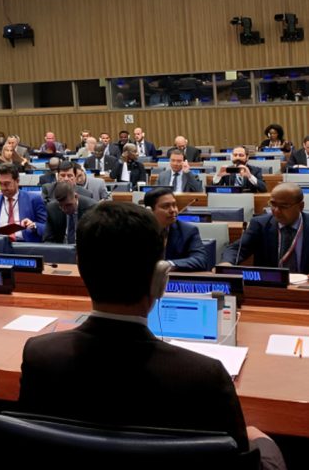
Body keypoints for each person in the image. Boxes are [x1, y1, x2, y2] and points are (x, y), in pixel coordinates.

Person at [19, 201, 286, 470]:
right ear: (161, 279)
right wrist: (262, 442)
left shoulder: (39, 354)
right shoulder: (205, 375)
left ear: (80, 266)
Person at [223, 182, 308, 272]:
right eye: (273, 204)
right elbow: (236, 249)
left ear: (301, 206)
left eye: (284, 206)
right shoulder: (260, 224)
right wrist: (227, 263)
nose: (277, 211)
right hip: (270, 280)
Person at [144, 188, 209, 271]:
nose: (173, 210)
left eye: (174, 205)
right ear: (149, 210)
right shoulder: (137, 229)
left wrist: (167, 265)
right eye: (166, 206)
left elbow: (200, 260)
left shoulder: (188, 231)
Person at [0, 163, 46, 242]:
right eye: (0, 183)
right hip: (0, 245)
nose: (3, 188)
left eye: (7, 184)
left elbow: (47, 228)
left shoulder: (34, 200)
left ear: (17, 181)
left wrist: (34, 225)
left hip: (26, 245)